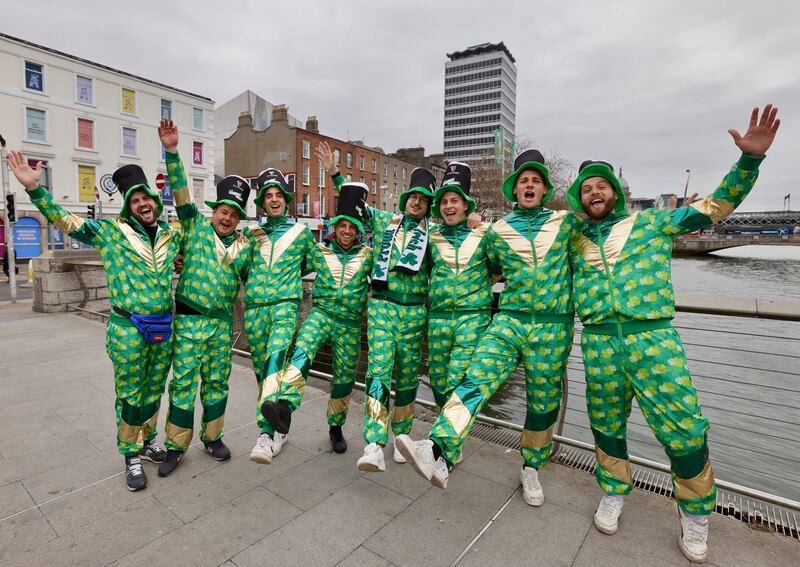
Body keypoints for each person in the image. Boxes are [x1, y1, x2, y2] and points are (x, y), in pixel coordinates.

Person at [567, 104, 780, 563]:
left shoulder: (652, 223)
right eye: (586, 189)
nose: (594, 192)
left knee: (684, 430)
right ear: (578, 200)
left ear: (615, 193)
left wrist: (750, 161)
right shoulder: (574, 240)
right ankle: (613, 491)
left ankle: (696, 514)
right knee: (605, 427)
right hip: (599, 342)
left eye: (601, 185)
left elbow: (715, 207)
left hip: (653, 341)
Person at [397, 150, 577, 506]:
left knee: (542, 404)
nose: (529, 185)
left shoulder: (565, 223)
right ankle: (439, 447)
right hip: (507, 321)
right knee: (472, 380)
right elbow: (494, 267)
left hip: (551, 329)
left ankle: (532, 468)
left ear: (544, 188)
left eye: (535, 180)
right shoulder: (497, 232)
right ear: (514, 188)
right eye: (523, 180)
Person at [7, 150, 180, 491]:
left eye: (147, 198)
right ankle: (130, 454)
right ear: (128, 205)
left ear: (156, 202)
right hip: (128, 328)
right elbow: (67, 222)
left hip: (162, 327)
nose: (143, 204)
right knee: (130, 393)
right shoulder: (109, 232)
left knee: (153, 390)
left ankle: (148, 441)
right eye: (135, 200)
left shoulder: (169, 236)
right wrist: (35, 190)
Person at [318, 141, 434, 472]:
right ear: (405, 198)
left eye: (423, 198)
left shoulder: (435, 235)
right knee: (378, 375)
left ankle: (402, 436)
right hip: (382, 309)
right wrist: (335, 173)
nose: (416, 201)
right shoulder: (386, 222)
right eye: (413, 195)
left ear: (429, 205)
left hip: (414, 312)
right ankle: (373, 442)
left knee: (409, 377)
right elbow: (356, 207)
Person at [155, 120, 252, 476]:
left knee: (216, 382)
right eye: (223, 210)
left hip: (221, 325)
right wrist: (171, 151)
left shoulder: (245, 248)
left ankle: (213, 438)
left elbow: (256, 281)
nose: (227, 217)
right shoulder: (194, 226)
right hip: (189, 319)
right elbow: (180, 191)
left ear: (239, 218)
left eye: (234, 213)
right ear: (214, 212)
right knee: (182, 383)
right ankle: (175, 446)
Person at [260, 183, 373, 455]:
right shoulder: (319, 251)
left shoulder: (368, 255)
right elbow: (290, 265)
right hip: (321, 314)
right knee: (302, 350)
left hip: (349, 323)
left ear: (359, 230)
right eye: (342, 226)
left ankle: (336, 427)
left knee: (344, 379)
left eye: (352, 226)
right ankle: (285, 406)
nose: (346, 231)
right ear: (335, 227)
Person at [244, 167, 315, 464]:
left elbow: (315, 264)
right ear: (262, 202)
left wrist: (285, 281)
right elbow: (242, 268)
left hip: (285, 305)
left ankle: (265, 433)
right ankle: (279, 431)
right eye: (268, 196)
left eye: (278, 195)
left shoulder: (302, 233)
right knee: (263, 371)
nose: (274, 200)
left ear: (286, 200)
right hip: (254, 309)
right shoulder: (252, 234)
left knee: (276, 359)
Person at [425, 162, 495, 414]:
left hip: (471, 318)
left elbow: (499, 266)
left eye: (454, 200)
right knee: (438, 380)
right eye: (444, 202)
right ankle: (445, 437)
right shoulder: (432, 236)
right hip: (438, 319)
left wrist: (482, 285)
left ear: (466, 204)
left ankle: (446, 447)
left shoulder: (484, 233)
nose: (449, 206)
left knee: (458, 379)